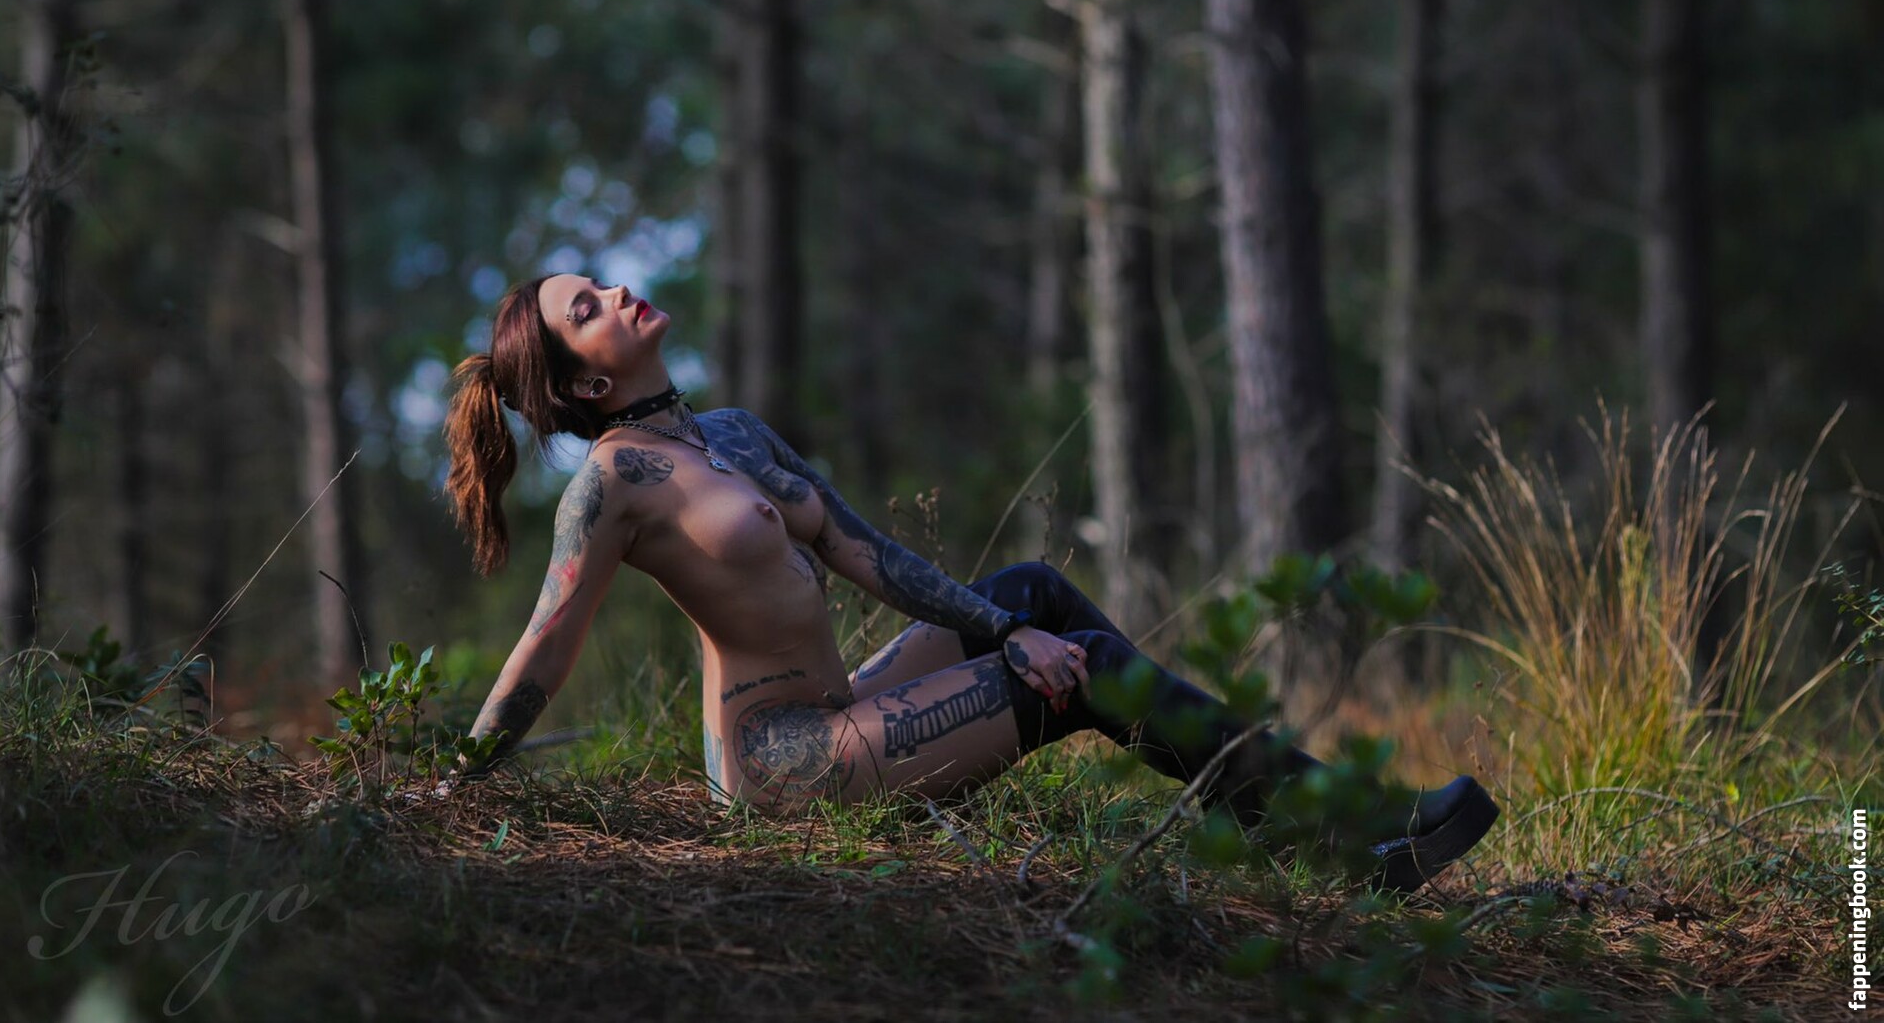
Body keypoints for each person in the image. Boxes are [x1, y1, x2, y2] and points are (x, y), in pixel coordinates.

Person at [440, 275, 1498, 892]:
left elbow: (868, 554)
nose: (620, 291)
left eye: (602, 282)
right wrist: (455, 785)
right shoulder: (615, 482)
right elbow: (548, 642)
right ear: (589, 377)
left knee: (1034, 596)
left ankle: (1315, 813)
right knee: (1078, 672)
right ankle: (1338, 839)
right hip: (780, 766)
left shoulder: (734, 434)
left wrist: (1004, 626)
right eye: (590, 306)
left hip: (842, 709)